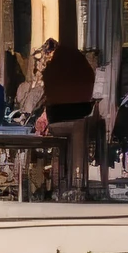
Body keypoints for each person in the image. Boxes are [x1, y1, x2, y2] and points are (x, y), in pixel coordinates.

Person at [39, 35, 100, 194]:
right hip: (80, 119)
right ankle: (77, 181)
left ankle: (62, 179)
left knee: (64, 143)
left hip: (56, 120)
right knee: (78, 136)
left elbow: (47, 92)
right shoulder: (84, 69)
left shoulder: (51, 71)